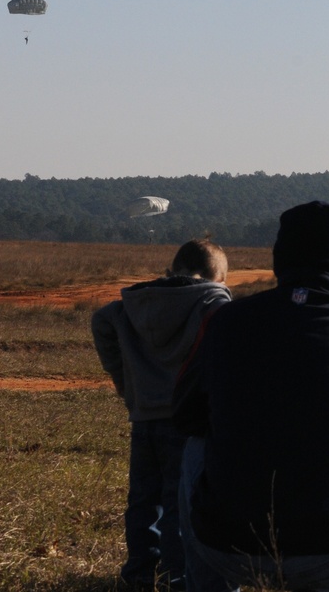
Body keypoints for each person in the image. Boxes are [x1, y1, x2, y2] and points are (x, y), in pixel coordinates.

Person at [174, 201, 329, 592]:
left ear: (280, 261)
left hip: (229, 547)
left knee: (195, 446)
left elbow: (185, 415)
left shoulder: (225, 322)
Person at [92, 238, 232, 591]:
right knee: (178, 503)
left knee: (142, 499)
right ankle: (175, 577)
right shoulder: (213, 301)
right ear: (217, 277)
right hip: (186, 420)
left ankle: (138, 574)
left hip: (143, 417)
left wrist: (123, 379)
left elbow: (101, 320)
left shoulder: (136, 300)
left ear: (174, 269)